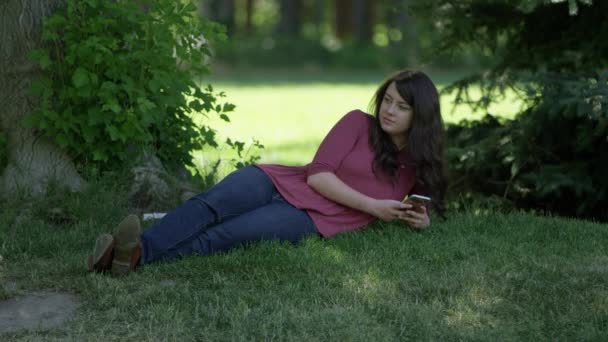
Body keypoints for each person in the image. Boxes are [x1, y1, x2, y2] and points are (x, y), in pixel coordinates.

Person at [86, 69, 447, 276]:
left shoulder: (419, 161)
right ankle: (135, 254)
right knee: (210, 204)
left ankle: (125, 257)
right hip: (281, 180)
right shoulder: (357, 122)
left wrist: (419, 220)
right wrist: (375, 207)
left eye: (402, 107)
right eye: (387, 100)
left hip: (312, 217)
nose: (389, 110)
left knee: (225, 235)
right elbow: (318, 176)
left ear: (421, 116)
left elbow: (422, 211)